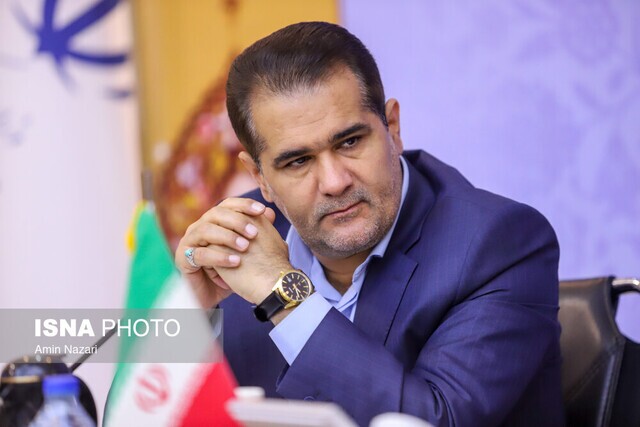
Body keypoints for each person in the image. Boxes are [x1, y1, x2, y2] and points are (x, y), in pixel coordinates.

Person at [175, 22, 564, 427]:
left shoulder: (497, 244)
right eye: (298, 161)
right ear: (260, 177)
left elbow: (436, 421)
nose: (334, 182)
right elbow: (143, 410)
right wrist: (182, 311)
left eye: (350, 142)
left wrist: (284, 296)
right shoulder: (241, 239)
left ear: (392, 128)